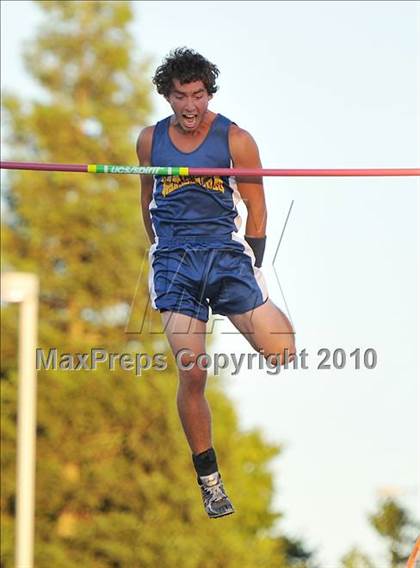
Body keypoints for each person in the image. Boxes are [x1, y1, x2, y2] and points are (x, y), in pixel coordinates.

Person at [136, 48, 295, 519]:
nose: (190, 106)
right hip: (174, 262)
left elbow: (258, 208)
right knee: (193, 369)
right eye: (180, 96)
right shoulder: (148, 142)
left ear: (209, 94)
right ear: (167, 96)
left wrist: (257, 269)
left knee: (282, 352)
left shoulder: (236, 140)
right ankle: (209, 479)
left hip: (225, 256)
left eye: (198, 96)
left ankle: (249, 300)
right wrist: (159, 252)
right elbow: (145, 203)